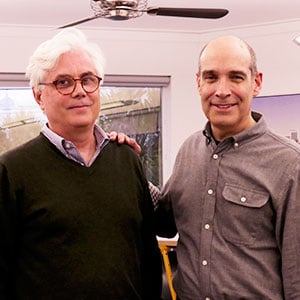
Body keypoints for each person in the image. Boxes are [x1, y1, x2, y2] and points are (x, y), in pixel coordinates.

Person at [114, 35, 300, 299]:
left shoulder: (290, 164)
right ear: (199, 82)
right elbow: (165, 224)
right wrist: (129, 168)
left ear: (256, 83)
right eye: (211, 77)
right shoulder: (189, 150)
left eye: (236, 77)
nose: (221, 91)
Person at [0, 28, 162, 300]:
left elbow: (146, 255)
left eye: (88, 80)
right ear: (39, 96)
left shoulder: (126, 159)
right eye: (63, 82)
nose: (80, 91)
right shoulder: (11, 171)